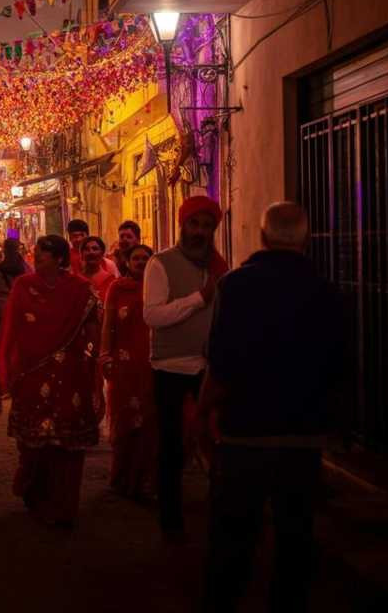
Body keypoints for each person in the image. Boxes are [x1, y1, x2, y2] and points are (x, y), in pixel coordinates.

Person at [200, 204, 344, 613]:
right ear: (305, 239)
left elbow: (221, 361)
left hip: (245, 431)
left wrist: (205, 410)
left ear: (263, 238)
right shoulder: (325, 289)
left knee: (233, 534)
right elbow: (338, 363)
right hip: (303, 433)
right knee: (295, 533)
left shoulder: (236, 286)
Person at [0, 235, 103, 527]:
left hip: (71, 374)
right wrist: (4, 371)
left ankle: (64, 506)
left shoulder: (79, 289)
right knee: (33, 445)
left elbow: (92, 329)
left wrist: (98, 367)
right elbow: (10, 329)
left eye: (41, 254)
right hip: (32, 374)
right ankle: (34, 491)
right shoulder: (24, 286)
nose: (36, 257)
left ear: (58, 258)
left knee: (68, 446)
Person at [145, 195, 229, 539]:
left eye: (206, 226)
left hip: (208, 366)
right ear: (183, 225)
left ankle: (221, 513)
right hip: (170, 366)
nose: (199, 232)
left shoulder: (219, 267)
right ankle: (171, 518)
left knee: (218, 439)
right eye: (194, 224)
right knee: (171, 444)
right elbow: (153, 315)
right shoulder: (160, 264)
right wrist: (199, 299)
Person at [100, 244, 157, 498]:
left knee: (149, 423)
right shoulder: (117, 288)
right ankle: (122, 477)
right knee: (124, 420)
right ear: (127, 261)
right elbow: (108, 324)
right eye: (136, 258)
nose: (141, 262)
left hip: (152, 364)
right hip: (124, 363)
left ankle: (145, 480)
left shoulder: (159, 288)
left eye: (146, 258)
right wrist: (105, 355)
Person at [0, 238, 27, 375]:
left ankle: (0, 370)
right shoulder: (25, 267)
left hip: (1, 308)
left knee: (0, 340)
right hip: (20, 308)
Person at [81, 235, 116, 303]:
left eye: (95, 249)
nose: (91, 252)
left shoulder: (111, 281)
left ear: (102, 253)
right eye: (87, 249)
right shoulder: (77, 280)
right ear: (81, 254)